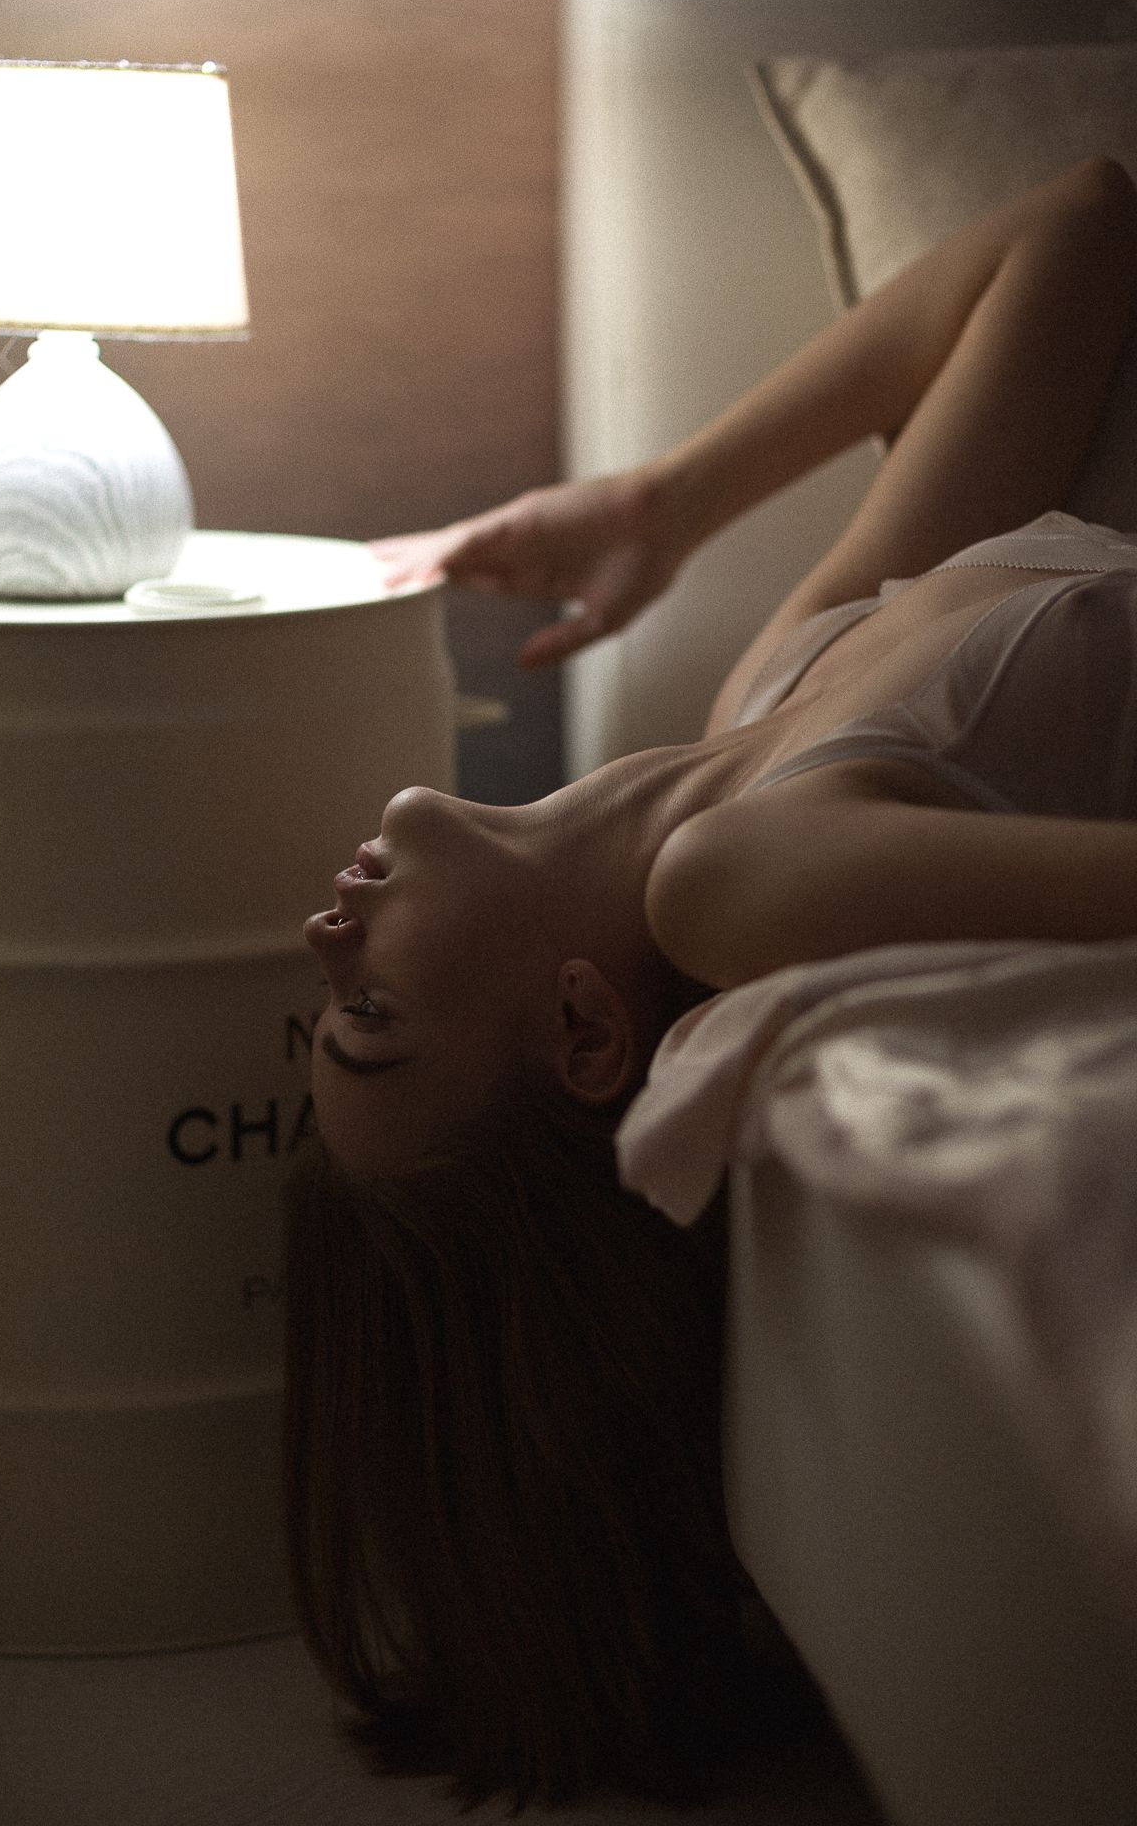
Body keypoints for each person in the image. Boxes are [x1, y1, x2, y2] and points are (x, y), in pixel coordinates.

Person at [284, 156, 1137, 1808]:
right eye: (369, 1016)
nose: (325, 939)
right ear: (588, 1031)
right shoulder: (736, 881)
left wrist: (660, 504)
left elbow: (1081, 224)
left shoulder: (772, 695)